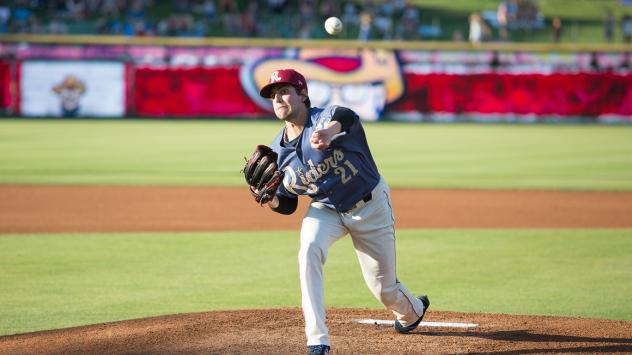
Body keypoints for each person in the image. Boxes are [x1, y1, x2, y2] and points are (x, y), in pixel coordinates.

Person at [256, 68, 429, 355]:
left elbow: (347, 117)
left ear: (302, 95)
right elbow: (287, 204)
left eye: (284, 91)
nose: (278, 98)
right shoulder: (278, 152)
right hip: (325, 209)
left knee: (384, 290)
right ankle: (317, 340)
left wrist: (329, 132)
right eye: (273, 94)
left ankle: (413, 311)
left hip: (370, 206)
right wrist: (271, 199)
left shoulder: (325, 118)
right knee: (309, 249)